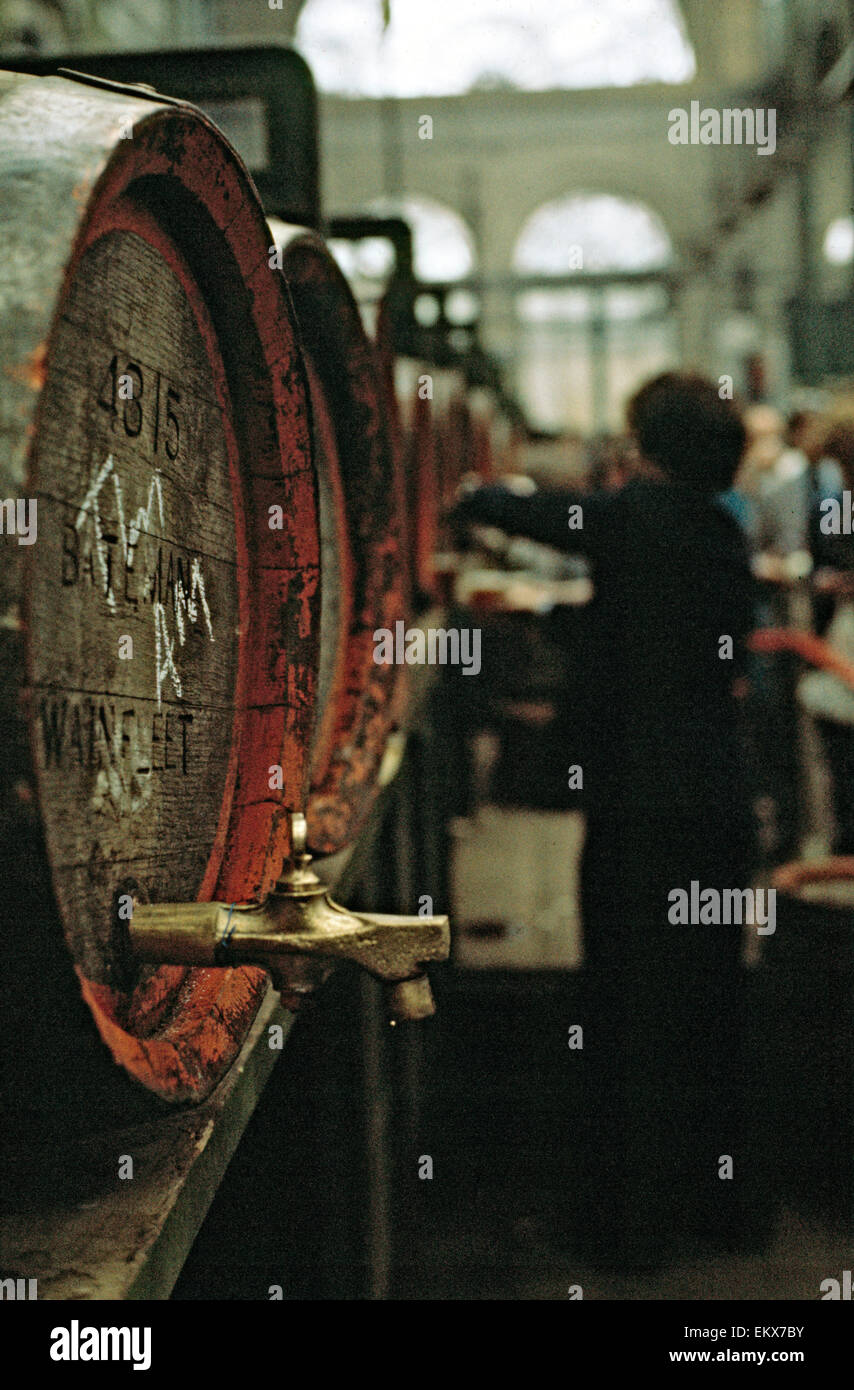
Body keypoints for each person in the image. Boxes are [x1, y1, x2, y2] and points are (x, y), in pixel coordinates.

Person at [454, 372, 766, 1269]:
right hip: (716, 801)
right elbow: (650, 624)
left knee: (628, 1010)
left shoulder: (639, 517)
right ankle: (725, 1210)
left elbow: (544, 517)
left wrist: (470, 495)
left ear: (650, 446)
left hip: (644, 813)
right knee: (708, 1003)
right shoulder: (720, 531)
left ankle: (626, 1234)